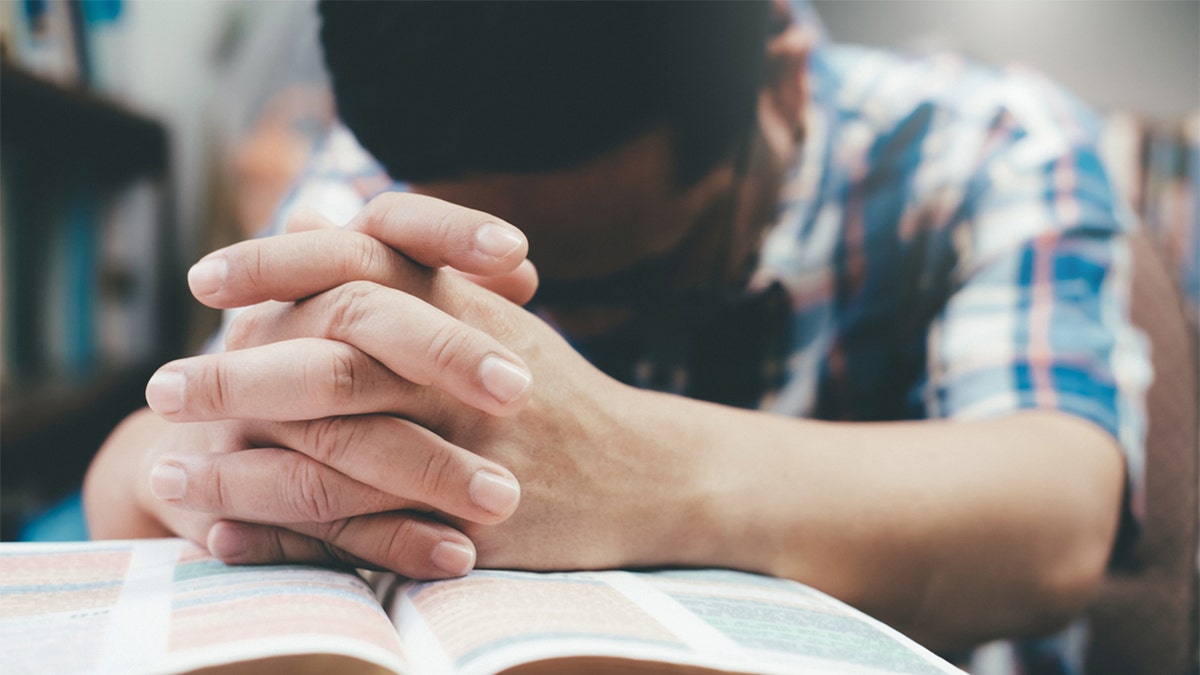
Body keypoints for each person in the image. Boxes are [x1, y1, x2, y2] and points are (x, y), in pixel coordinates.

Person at [83, 0, 1151, 668]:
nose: (564, 321)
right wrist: (214, 453)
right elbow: (133, 476)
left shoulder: (991, 145)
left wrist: (618, 465)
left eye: (641, 271)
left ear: (778, 81)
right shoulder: (396, 170)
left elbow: (1058, 520)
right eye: (507, 278)